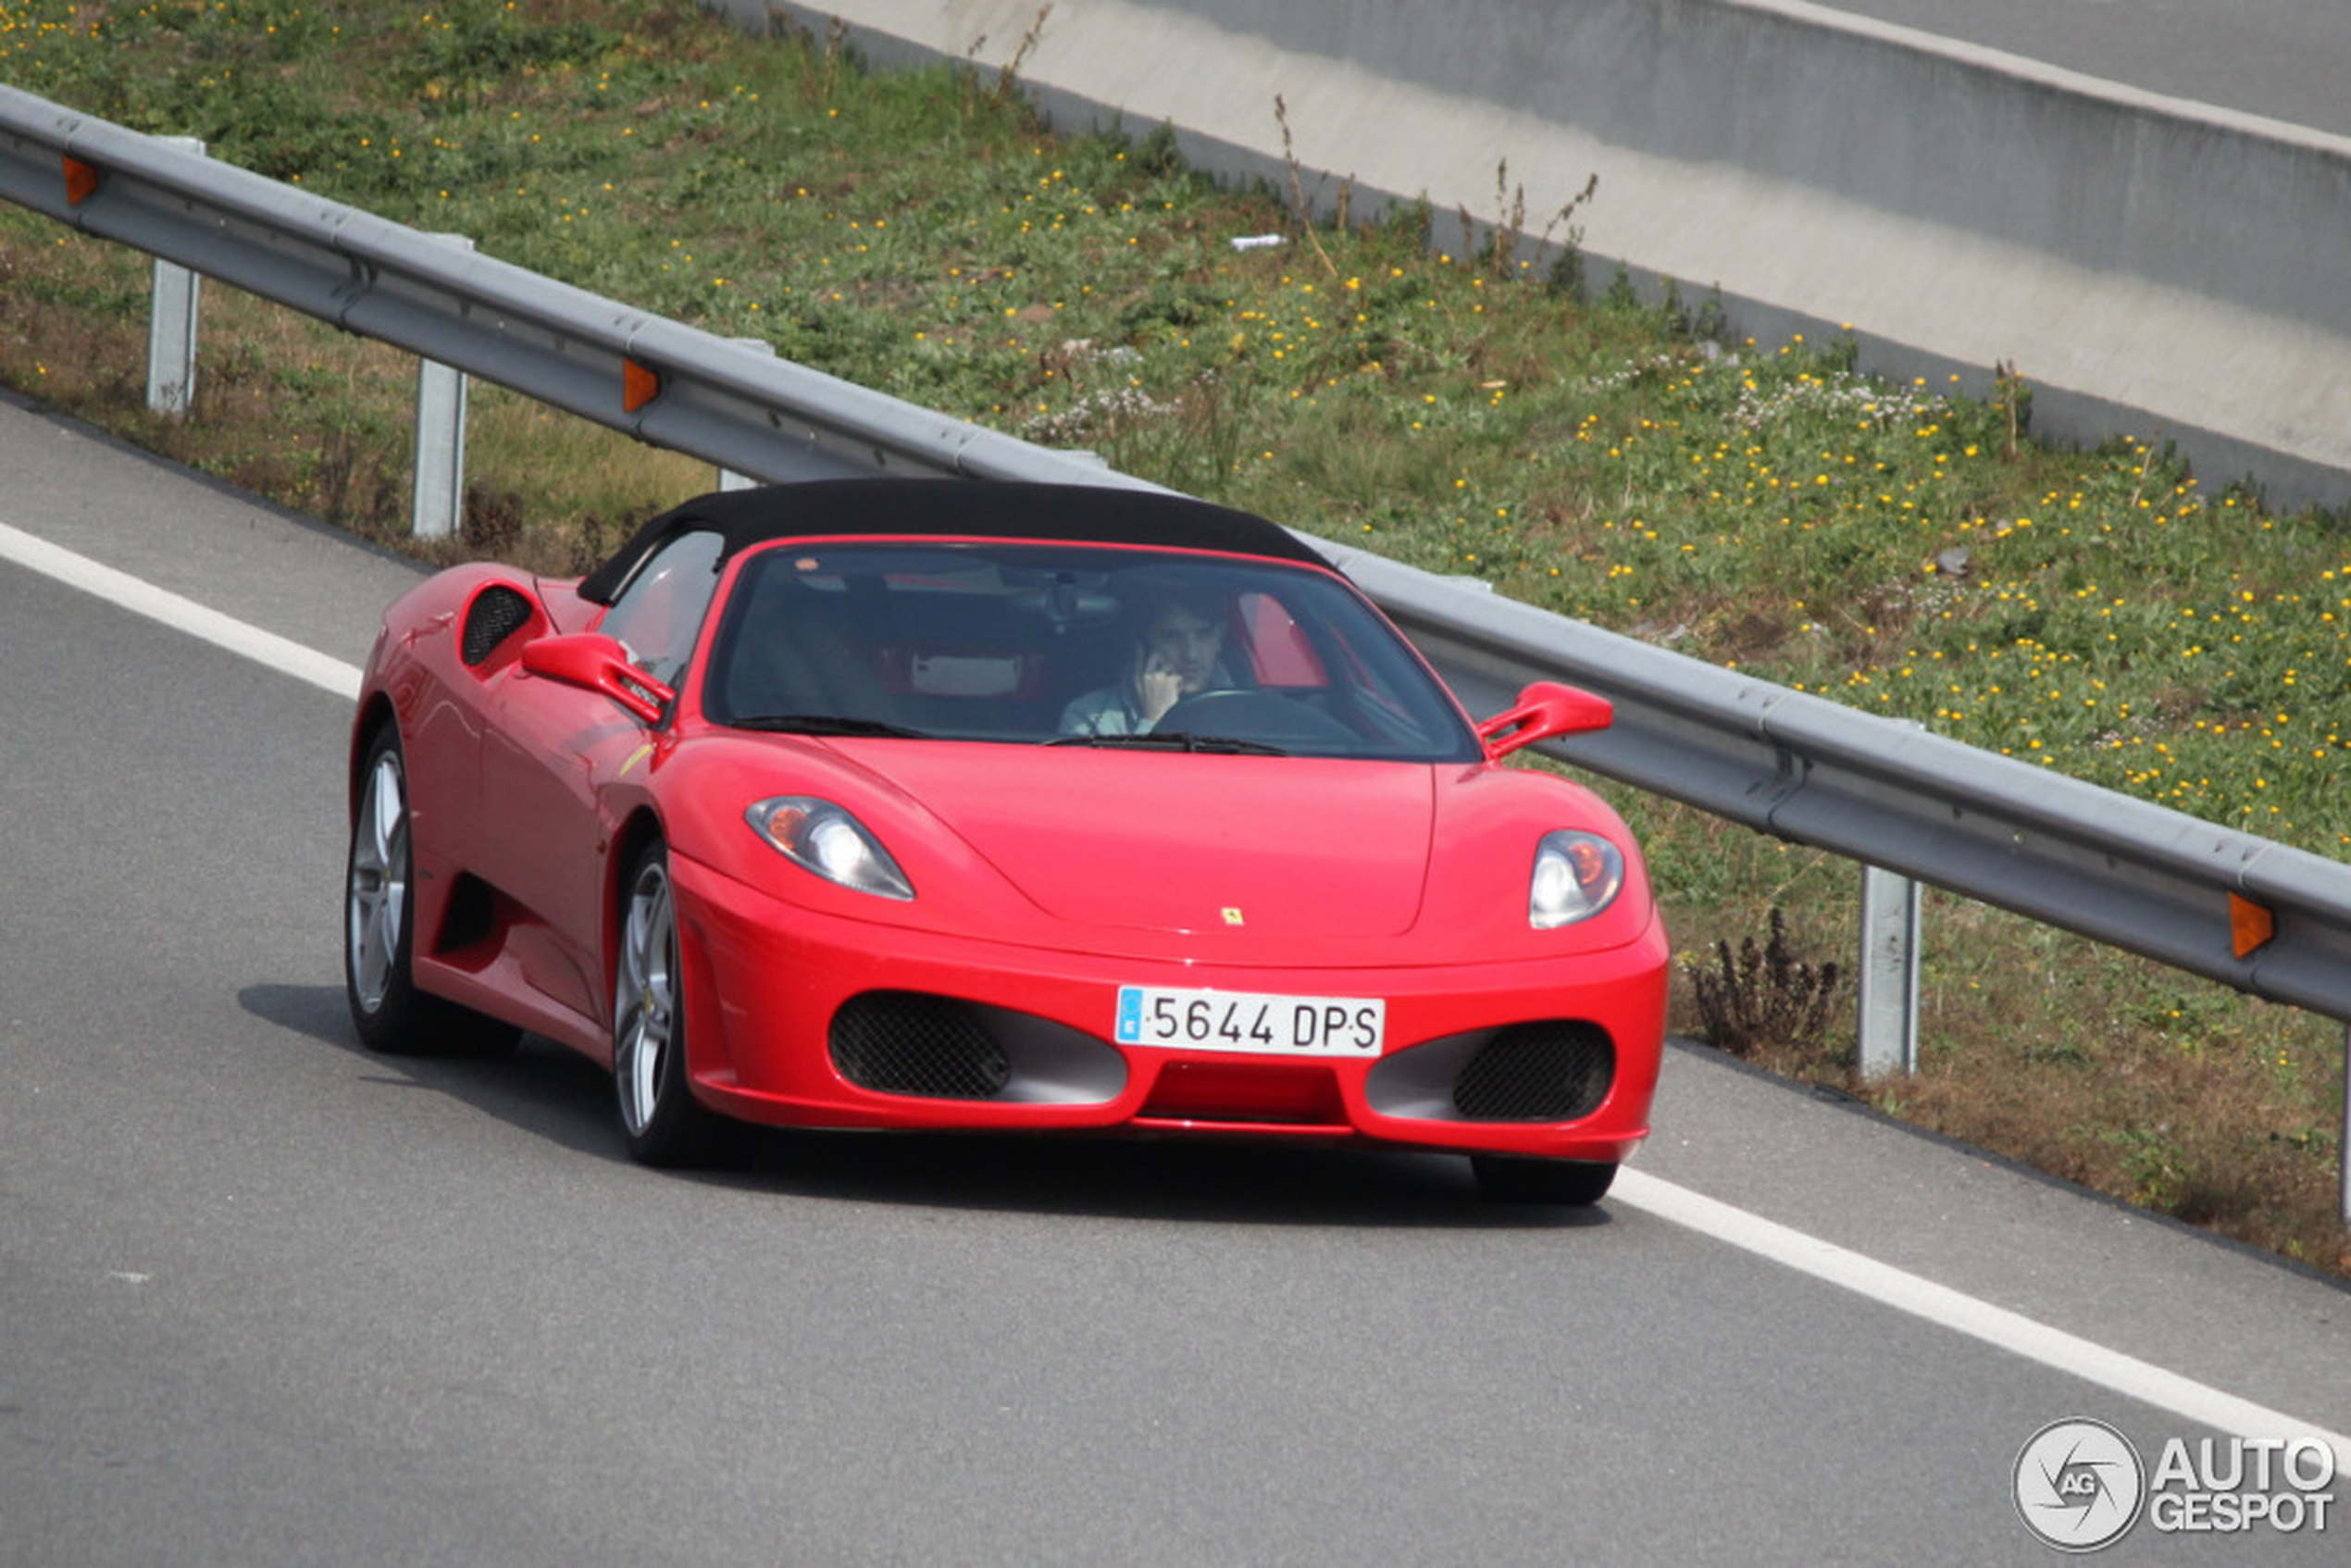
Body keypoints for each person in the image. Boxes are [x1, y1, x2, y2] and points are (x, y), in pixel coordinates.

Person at [1059, 586, 1229, 736]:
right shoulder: (1091, 718)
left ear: (1220, 637)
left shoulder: (1250, 710)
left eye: (1203, 634)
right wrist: (1155, 721)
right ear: (1142, 646)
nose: (1191, 654)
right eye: (1171, 636)